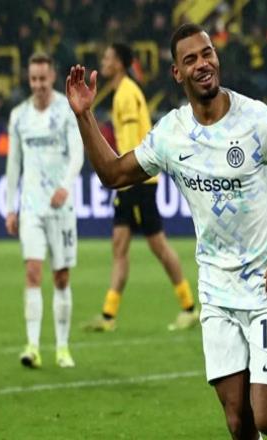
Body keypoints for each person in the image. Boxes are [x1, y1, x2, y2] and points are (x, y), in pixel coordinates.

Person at [66, 23, 267, 439]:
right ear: (177, 73)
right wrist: (84, 116)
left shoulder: (257, 120)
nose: (203, 63)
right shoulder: (172, 134)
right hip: (216, 290)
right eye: (191, 59)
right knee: (238, 421)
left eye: (208, 54)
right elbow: (113, 174)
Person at [83, 42, 198, 332]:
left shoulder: (126, 93)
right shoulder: (123, 92)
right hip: (131, 180)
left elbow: (136, 142)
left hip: (137, 180)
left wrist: (127, 177)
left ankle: (188, 307)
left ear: (119, 63)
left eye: (108, 57)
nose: (103, 61)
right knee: (119, 245)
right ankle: (108, 315)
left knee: (158, 245)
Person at [6, 52, 84, 369]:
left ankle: (62, 348)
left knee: (61, 277)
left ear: (52, 77)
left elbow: (78, 153)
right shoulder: (19, 116)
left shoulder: (66, 110)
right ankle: (33, 346)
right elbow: (13, 164)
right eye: (33, 79)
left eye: (43, 78)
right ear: (29, 79)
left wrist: (65, 185)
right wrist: (10, 207)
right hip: (31, 207)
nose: (38, 84)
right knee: (33, 272)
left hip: (61, 207)